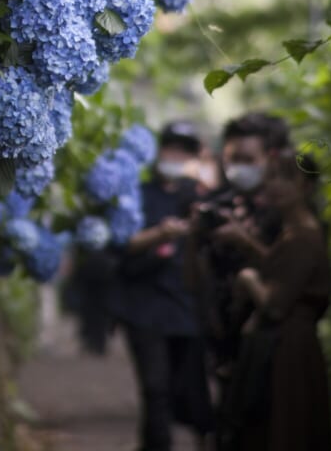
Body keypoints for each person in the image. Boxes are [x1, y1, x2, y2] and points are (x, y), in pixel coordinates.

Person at [111, 120, 215, 451]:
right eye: (171, 149)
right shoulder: (136, 195)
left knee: (189, 391)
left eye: (184, 152)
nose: (175, 157)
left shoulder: (198, 197)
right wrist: (159, 235)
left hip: (186, 311)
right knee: (155, 389)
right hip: (145, 307)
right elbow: (119, 245)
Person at [220, 147, 331, 451]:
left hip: (289, 354)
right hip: (284, 348)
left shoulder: (303, 237)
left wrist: (248, 278)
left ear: (305, 186)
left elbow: (275, 304)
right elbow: (281, 268)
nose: (274, 184)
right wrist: (248, 244)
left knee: (284, 431)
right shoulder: (294, 231)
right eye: (270, 177)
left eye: (286, 177)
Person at [187, 112, 289, 396]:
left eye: (249, 160)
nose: (239, 168)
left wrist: (245, 241)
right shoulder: (214, 207)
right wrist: (193, 240)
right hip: (221, 335)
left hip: (272, 335)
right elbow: (194, 280)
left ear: (272, 157)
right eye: (233, 159)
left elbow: (292, 272)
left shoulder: (288, 212)